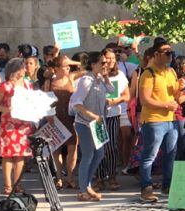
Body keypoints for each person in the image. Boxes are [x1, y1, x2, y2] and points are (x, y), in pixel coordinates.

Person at [138, 40, 185, 202]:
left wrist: (181, 89)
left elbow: (175, 96)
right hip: (154, 120)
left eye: (171, 53)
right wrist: (165, 104)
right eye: (166, 53)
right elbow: (144, 100)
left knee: (170, 153)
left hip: (171, 120)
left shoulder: (171, 72)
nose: (170, 56)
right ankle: (146, 188)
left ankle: (168, 186)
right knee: (150, 155)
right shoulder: (148, 74)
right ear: (156, 55)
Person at [70, 52, 117, 202]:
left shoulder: (100, 79)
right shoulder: (86, 81)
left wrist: (105, 76)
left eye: (106, 62)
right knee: (88, 155)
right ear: (93, 64)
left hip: (98, 123)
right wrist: (92, 115)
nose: (106, 65)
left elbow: (111, 91)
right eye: (102, 63)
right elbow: (76, 103)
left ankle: (87, 185)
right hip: (85, 123)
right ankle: (84, 189)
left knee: (100, 154)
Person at [0, 58, 37, 196]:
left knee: (20, 155)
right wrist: (7, 109)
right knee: (8, 155)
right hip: (9, 123)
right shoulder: (5, 86)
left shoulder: (27, 84)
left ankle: (17, 184)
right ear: (15, 69)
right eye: (22, 67)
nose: (25, 69)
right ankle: (8, 185)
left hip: (24, 123)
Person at [44, 55, 78, 189]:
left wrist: (72, 61)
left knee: (72, 148)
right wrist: (48, 115)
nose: (68, 67)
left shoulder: (71, 78)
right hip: (55, 118)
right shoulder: (49, 82)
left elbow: (86, 68)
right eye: (65, 65)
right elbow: (45, 101)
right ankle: (59, 177)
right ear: (56, 68)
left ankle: (70, 176)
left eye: (69, 65)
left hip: (71, 118)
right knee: (56, 149)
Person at [98, 47, 130, 190]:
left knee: (111, 147)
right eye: (107, 57)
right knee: (99, 146)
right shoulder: (96, 74)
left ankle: (112, 176)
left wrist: (115, 101)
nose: (110, 60)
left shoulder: (120, 75)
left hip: (113, 115)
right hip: (97, 116)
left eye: (112, 58)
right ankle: (99, 177)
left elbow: (127, 96)